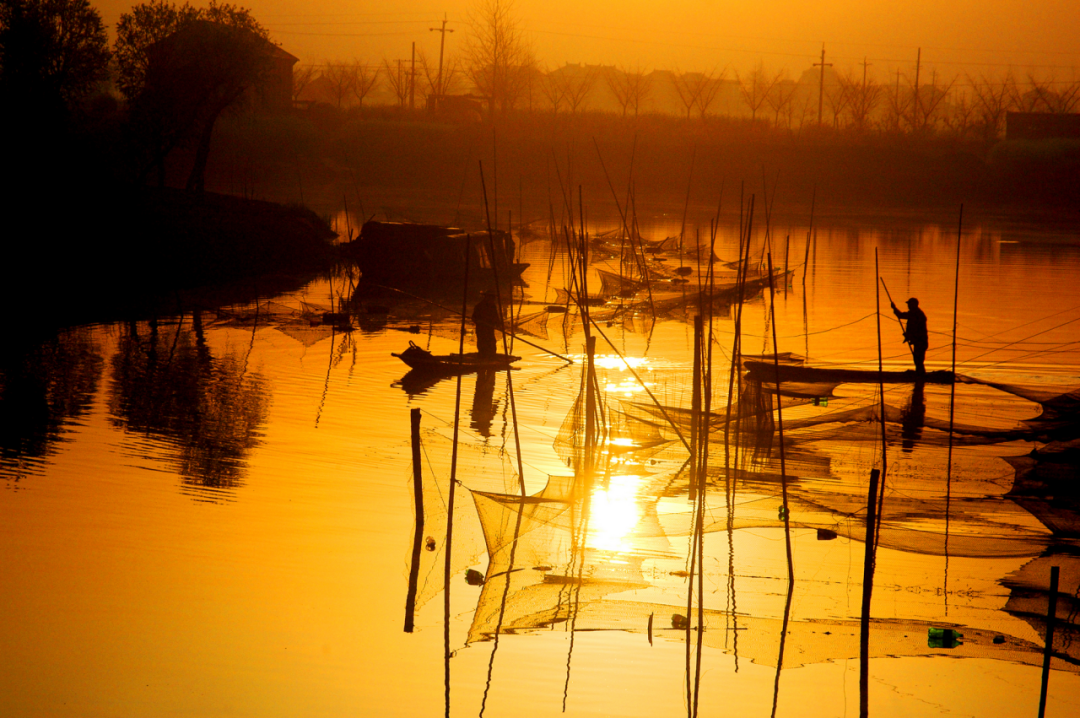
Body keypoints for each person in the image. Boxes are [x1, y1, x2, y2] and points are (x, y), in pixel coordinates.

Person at [892, 297, 928, 374]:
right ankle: (920, 375)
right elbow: (901, 316)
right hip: (918, 342)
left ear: (914, 305)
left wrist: (894, 308)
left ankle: (921, 375)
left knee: (918, 360)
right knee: (917, 360)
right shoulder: (913, 313)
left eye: (909, 304)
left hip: (920, 342)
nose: (908, 306)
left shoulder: (916, 314)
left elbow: (916, 329)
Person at [472, 290, 503, 357]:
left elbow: (496, 317)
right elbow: (474, 318)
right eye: (492, 297)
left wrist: (498, 324)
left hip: (490, 329)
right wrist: (480, 322)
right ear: (487, 297)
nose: (493, 299)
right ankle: (482, 356)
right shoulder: (479, 306)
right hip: (481, 329)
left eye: (493, 298)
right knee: (482, 343)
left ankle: (491, 356)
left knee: (491, 343)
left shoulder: (493, 306)